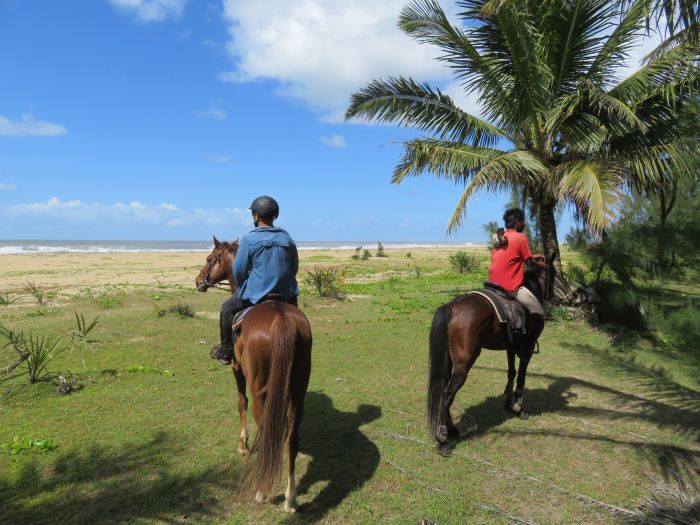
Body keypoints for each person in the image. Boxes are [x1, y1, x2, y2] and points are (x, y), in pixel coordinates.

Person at [211, 195, 300, 365]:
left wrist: (248, 284)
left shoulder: (249, 239)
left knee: (227, 308)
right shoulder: (287, 239)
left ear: (257, 216)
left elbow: (238, 271)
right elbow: (294, 268)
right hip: (286, 294)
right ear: (274, 215)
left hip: (257, 294)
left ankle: (226, 350)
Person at [488, 208, 547, 350]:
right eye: (523, 221)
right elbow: (529, 263)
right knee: (538, 310)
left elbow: (513, 255)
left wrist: (532, 256)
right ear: (517, 222)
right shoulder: (521, 237)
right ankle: (527, 343)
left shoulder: (500, 238)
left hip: (492, 284)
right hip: (511, 286)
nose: (524, 224)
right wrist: (545, 266)